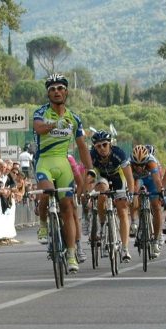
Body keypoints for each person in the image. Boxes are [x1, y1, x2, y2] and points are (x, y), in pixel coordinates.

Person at [33, 73, 93, 273]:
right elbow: (39, 128)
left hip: (64, 163)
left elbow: (82, 147)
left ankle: (71, 253)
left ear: (66, 91)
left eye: (60, 88)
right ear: (48, 93)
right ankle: (43, 224)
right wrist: (54, 125)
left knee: (68, 207)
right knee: (47, 192)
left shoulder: (74, 118)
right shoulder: (41, 112)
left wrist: (90, 171)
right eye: (52, 89)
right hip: (45, 161)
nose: (57, 92)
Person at [89, 130, 135, 262]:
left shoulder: (119, 153)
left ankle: (125, 248)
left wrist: (130, 194)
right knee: (102, 193)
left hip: (117, 176)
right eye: (98, 146)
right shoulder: (92, 155)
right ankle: (102, 223)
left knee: (122, 209)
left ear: (110, 144)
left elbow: (129, 177)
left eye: (104, 144)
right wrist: (87, 192)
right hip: (101, 176)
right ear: (94, 147)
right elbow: (88, 175)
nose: (102, 148)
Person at [129, 144, 164, 257]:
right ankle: (135, 223)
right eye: (136, 165)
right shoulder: (129, 163)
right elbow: (129, 183)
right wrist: (132, 195)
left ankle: (155, 240)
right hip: (137, 179)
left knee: (156, 207)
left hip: (150, 179)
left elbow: (157, 181)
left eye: (142, 165)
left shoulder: (151, 162)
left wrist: (160, 193)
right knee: (134, 195)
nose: (139, 167)